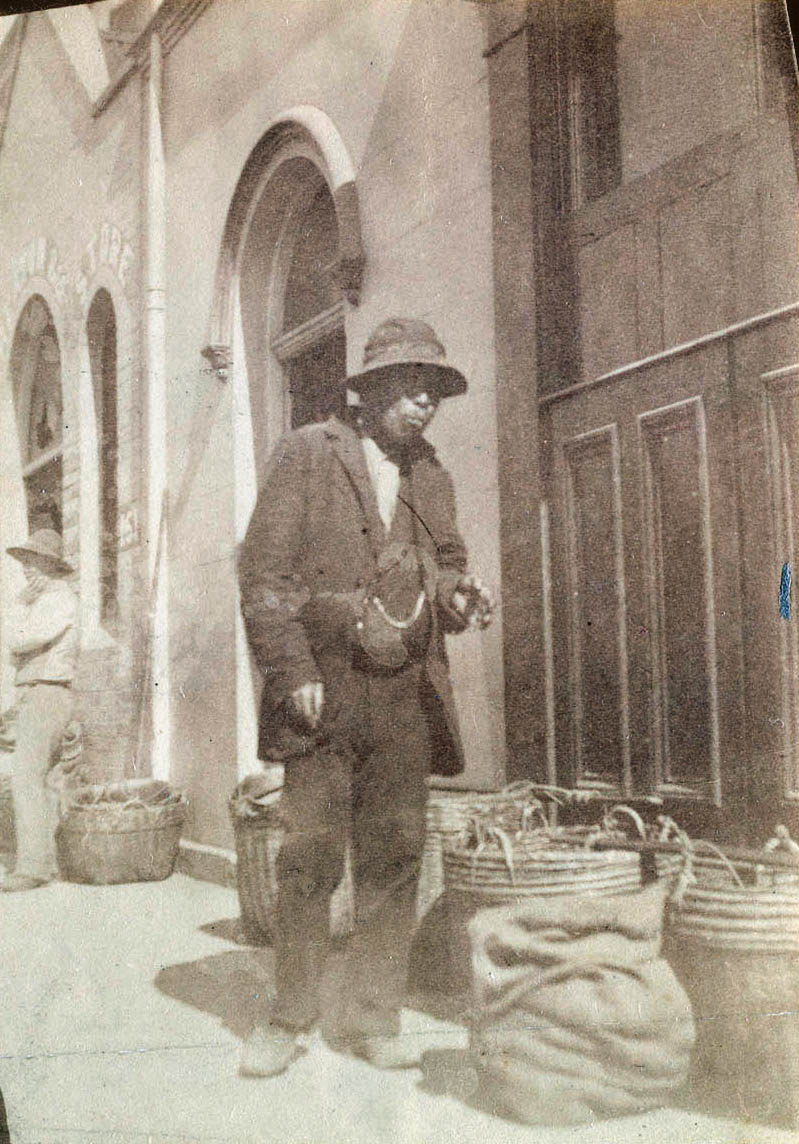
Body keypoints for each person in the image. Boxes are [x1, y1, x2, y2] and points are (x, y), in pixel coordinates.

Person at [238, 317, 493, 1077]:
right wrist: (295, 675)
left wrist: (457, 594)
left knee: (394, 853)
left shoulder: (431, 474)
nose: (424, 403)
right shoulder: (307, 455)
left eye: (434, 392)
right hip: (325, 691)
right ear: (372, 388)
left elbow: (447, 562)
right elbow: (264, 580)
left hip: (405, 696)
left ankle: (373, 1017)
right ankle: (288, 1015)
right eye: (411, 387)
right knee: (309, 857)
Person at [1, 529, 78, 892]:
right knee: (43, 780)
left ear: (52, 566)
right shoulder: (45, 602)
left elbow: (19, 640)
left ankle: (32, 867)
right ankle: (47, 862)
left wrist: (17, 607)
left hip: (46, 693)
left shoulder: (58, 600)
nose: (27, 571)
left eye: (35, 563)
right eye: (25, 564)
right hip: (39, 693)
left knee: (26, 777)